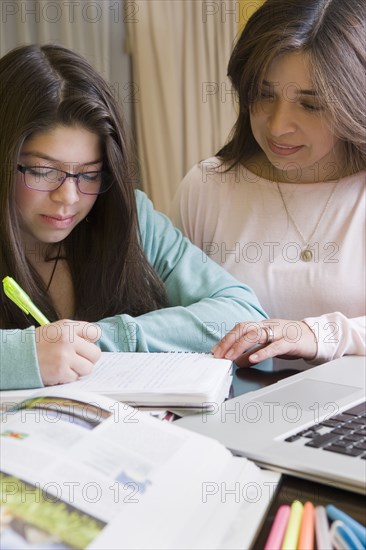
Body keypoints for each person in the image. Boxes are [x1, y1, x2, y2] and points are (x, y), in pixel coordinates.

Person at [0, 44, 267, 391]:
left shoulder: (129, 217)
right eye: (41, 171)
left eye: (89, 174)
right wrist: (22, 356)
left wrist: (103, 339)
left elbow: (241, 313)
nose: (68, 197)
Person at [171, 0, 365, 370]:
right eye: (264, 94)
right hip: (232, 414)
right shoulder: (208, 187)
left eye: (310, 105)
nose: (278, 126)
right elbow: (170, 320)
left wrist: (318, 333)